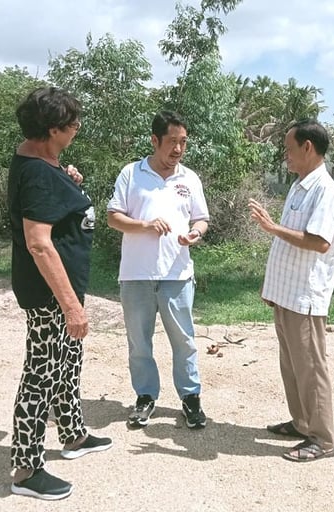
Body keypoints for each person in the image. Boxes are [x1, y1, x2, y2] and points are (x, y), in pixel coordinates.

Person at [7, 86, 112, 501]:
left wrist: (65, 178)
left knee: (67, 364)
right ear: (52, 130)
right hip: (50, 293)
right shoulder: (36, 172)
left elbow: (54, 205)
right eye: (72, 124)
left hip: (63, 288)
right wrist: (70, 306)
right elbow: (38, 243)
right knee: (41, 375)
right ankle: (26, 468)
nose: (77, 128)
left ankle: (72, 434)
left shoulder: (42, 162)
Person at [248, 119, 334, 462]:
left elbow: (319, 242)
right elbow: (289, 241)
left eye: (289, 149)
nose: (285, 155)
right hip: (287, 293)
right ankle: (303, 423)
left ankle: (322, 438)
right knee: (291, 364)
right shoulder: (300, 186)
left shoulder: (325, 191)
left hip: (305, 296)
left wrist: (271, 227)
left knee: (310, 368)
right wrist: (271, 287)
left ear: (308, 147)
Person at [107, 110, 209, 430]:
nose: (178, 149)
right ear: (155, 140)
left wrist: (196, 233)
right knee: (139, 342)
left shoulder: (189, 178)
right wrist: (144, 225)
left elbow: (201, 218)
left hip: (177, 275)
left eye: (183, 142)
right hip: (136, 274)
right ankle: (145, 397)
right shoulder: (131, 173)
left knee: (184, 341)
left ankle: (190, 398)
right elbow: (113, 217)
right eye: (172, 142)